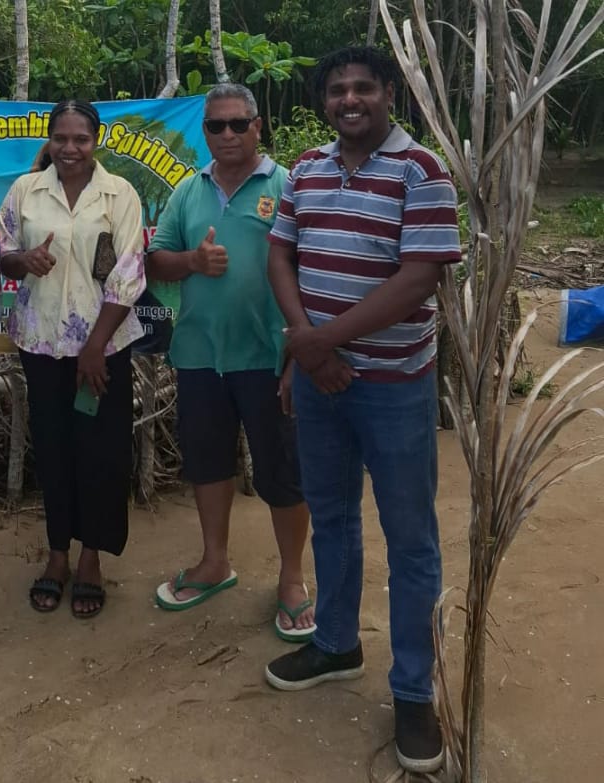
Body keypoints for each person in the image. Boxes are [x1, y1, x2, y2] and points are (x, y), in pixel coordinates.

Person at [263, 46, 461, 774]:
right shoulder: (308, 169)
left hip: (393, 385)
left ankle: (413, 689)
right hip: (321, 383)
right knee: (334, 514)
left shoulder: (423, 172)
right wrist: (307, 352)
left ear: (388, 95)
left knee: (410, 537)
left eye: (362, 88)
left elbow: (419, 281)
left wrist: (319, 342)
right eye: (337, 89)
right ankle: (337, 641)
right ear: (324, 103)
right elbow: (281, 255)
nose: (349, 99)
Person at [146, 83, 315, 642]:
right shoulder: (187, 192)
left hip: (270, 358)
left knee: (283, 472)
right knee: (208, 465)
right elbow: (156, 263)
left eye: (237, 124)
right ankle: (214, 562)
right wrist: (191, 260)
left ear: (257, 126)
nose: (226, 135)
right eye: (215, 126)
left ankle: (292, 579)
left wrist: (299, 354)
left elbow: (311, 271)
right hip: (199, 358)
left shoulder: (288, 186)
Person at [0, 100, 146, 619]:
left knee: (101, 453)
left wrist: (93, 348)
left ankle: (91, 559)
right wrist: (24, 260)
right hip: (41, 346)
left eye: (80, 138)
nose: (70, 148)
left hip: (101, 351)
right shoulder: (25, 190)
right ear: (51, 140)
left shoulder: (119, 194)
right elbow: (3, 252)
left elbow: (128, 272)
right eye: (61, 138)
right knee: (55, 449)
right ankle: (57, 554)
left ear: (96, 140)